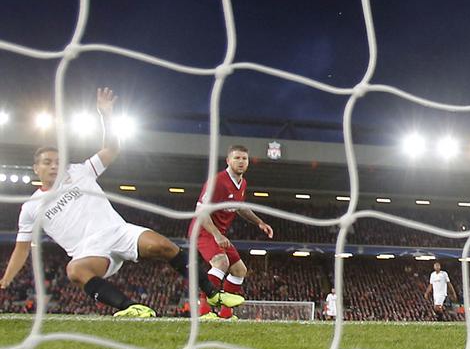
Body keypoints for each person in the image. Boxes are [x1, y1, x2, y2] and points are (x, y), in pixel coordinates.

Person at [0, 89, 244, 317]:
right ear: (35, 168)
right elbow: (22, 249)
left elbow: (112, 148)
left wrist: (106, 114)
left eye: (57, 160)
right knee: (74, 271)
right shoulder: (31, 208)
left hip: (119, 232)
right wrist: (6, 279)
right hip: (89, 252)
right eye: (46, 162)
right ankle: (131, 308)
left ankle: (213, 294)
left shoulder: (79, 172)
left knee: (166, 247)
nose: (53, 165)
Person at [192, 144, 274, 320]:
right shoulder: (217, 181)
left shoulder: (242, 183)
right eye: (237, 158)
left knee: (239, 270)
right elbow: (201, 212)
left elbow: (239, 208)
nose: (241, 161)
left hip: (219, 233)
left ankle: (226, 315)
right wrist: (216, 234)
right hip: (203, 230)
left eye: (244, 158)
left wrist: (259, 222)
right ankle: (204, 312)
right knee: (221, 262)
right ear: (228, 160)